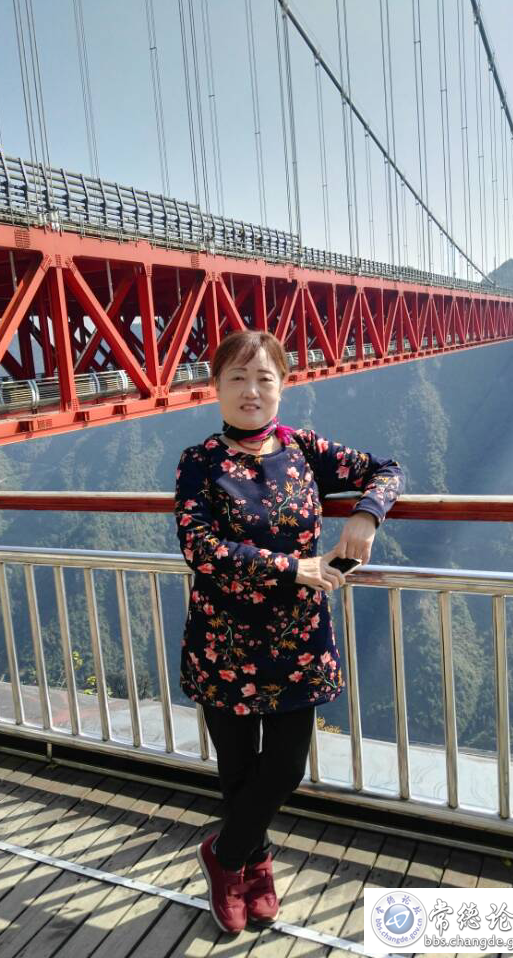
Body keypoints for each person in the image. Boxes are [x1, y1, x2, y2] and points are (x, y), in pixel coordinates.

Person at [174, 330, 405, 935]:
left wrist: (366, 514)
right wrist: (292, 567)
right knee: (237, 770)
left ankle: (223, 856)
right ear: (215, 387)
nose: (251, 391)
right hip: (223, 642)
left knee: (283, 768)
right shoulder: (199, 462)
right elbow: (199, 547)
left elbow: (388, 469)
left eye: (264, 378)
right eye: (237, 378)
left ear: (283, 385)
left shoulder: (305, 450)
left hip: (296, 642)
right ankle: (253, 867)